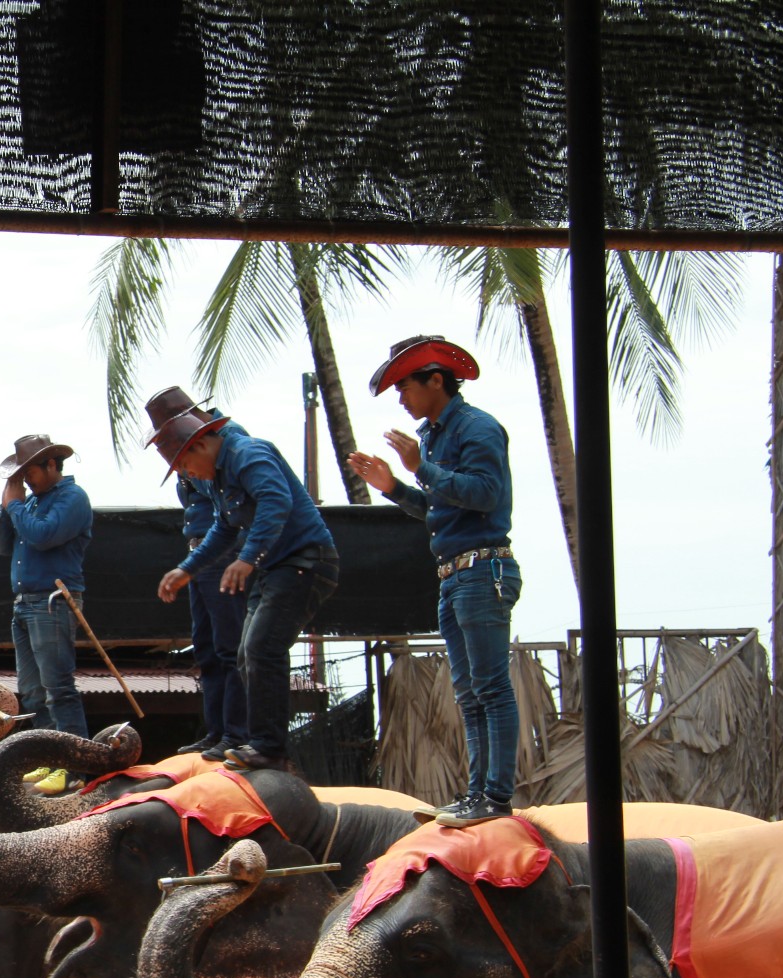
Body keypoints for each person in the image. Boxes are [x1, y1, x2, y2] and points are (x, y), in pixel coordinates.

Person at [346, 335, 519, 824]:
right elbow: (437, 508)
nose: (402, 399)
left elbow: (485, 494)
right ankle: (478, 795)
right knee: (469, 690)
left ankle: (495, 797)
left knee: (490, 688)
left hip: (482, 568)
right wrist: (396, 486)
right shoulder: (437, 436)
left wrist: (422, 468)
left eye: (405, 387)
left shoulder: (477, 428)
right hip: (456, 573)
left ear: (436, 380)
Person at [150, 390, 339, 774]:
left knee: (261, 648)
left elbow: (276, 502)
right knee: (245, 653)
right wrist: (187, 568)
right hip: (276, 568)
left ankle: (269, 748)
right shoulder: (220, 478)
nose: (187, 475)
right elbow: (222, 527)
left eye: (185, 463)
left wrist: (247, 558)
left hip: (304, 562)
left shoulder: (247, 453)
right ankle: (259, 743)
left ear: (201, 443)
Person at [152, 397, 247, 755]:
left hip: (224, 551)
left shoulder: (232, 442)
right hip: (199, 552)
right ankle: (217, 731)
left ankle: (237, 734)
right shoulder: (198, 449)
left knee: (229, 647)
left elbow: (235, 510)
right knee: (206, 647)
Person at [0, 434, 93, 755]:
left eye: (29, 472)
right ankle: (51, 759)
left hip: (53, 601)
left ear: (51, 465)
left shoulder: (72, 497)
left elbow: (42, 535)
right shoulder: (29, 502)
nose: (26, 481)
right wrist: (7, 505)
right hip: (24, 605)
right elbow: (0, 544)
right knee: (33, 693)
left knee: (58, 689)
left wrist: (16, 506)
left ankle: (75, 764)